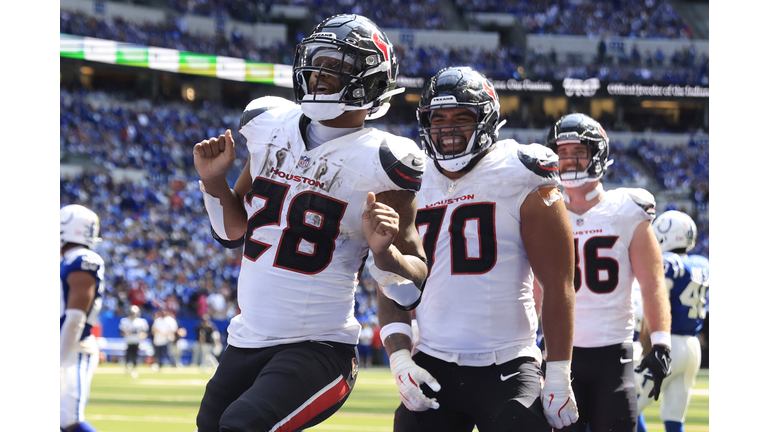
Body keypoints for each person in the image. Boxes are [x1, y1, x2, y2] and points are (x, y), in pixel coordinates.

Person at [192, 14, 428, 432]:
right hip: (245, 338)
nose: (320, 74)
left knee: (240, 426)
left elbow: (410, 289)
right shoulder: (268, 123)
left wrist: (384, 251)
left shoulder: (387, 160)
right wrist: (213, 182)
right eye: (319, 62)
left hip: (318, 348)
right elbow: (235, 233)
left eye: (338, 66)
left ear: (370, 81)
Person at [377, 66, 578, 432]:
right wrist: (400, 358)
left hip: (509, 363)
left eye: (461, 117)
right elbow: (392, 277)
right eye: (439, 119)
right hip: (433, 361)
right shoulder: (408, 181)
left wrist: (560, 372)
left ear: (486, 121)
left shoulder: (521, 171)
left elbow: (559, 282)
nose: (448, 129)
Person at [542, 113, 673, 432]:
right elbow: (533, 288)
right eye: (563, 152)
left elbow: (652, 282)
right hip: (560, 355)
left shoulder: (627, 208)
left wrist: (661, 342)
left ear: (597, 154)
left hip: (613, 357)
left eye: (578, 152)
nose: (569, 160)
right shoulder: (543, 210)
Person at [636, 210, 709, 432]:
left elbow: (653, 303)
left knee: (627, 406)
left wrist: (646, 346)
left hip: (667, 343)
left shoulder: (668, 263)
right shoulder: (702, 263)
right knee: (674, 419)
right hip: (692, 347)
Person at [60, 204, 105, 432]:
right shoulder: (69, 260)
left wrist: (57, 357)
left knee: (69, 420)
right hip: (66, 345)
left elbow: (75, 318)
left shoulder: (82, 259)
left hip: (73, 347)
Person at [119, 305, 149, 378]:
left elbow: (145, 333)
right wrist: (126, 332)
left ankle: (134, 369)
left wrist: (142, 335)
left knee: (135, 356)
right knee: (128, 356)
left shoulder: (141, 322)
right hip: (128, 341)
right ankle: (127, 368)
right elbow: (120, 332)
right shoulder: (124, 321)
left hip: (137, 341)